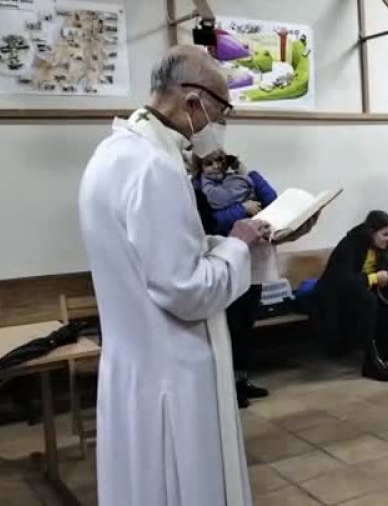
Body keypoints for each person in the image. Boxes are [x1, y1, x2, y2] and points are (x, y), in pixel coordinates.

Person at [79, 46, 265, 506]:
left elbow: (158, 257)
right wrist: (239, 244)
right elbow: (188, 290)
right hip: (172, 373)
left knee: (141, 484)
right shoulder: (154, 168)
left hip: (136, 365)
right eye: (221, 110)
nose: (217, 124)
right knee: (178, 485)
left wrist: (229, 243)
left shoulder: (113, 153)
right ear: (192, 100)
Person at [191, 150, 317, 407]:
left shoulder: (240, 182)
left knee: (245, 326)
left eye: (220, 162)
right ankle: (227, 386)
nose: (215, 167)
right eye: (208, 163)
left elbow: (273, 202)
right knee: (230, 327)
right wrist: (242, 208)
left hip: (252, 265)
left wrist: (251, 174)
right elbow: (210, 223)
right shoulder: (197, 189)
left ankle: (241, 379)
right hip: (222, 265)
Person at [317, 211, 388, 381]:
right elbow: (342, 279)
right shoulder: (350, 244)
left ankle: (386, 349)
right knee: (367, 300)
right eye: (384, 234)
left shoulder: (386, 244)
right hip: (340, 293)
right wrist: (373, 278)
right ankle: (370, 361)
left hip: (366, 286)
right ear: (371, 232)